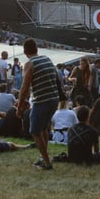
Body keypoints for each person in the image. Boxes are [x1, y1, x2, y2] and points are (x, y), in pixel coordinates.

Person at [16, 38, 60, 170]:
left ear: (25, 52)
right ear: (37, 49)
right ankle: (43, 158)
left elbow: (24, 87)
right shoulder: (47, 59)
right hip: (54, 98)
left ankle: (47, 162)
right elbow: (57, 78)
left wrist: (19, 107)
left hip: (41, 100)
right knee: (44, 128)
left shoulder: (29, 64)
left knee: (35, 131)